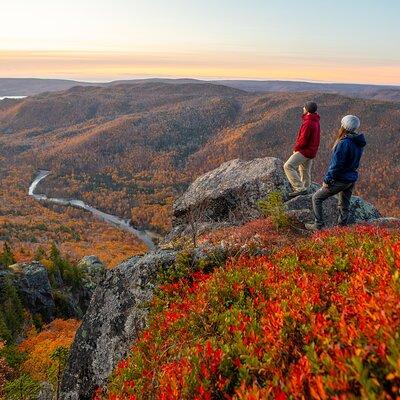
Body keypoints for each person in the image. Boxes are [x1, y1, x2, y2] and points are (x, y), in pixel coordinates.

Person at [306, 115, 366, 231]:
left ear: (343, 126)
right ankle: (342, 227)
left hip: (341, 179)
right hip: (351, 178)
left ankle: (318, 225)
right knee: (344, 204)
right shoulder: (358, 142)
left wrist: (327, 180)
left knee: (316, 198)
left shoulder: (344, 143)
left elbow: (336, 165)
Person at [284, 101, 320, 198]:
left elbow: (303, 139)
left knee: (288, 166)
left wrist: (296, 149)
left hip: (305, 150)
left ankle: (299, 188)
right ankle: (306, 188)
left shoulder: (308, 122)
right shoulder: (315, 120)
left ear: (307, 110)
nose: (303, 109)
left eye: (304, 107)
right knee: (304, 170)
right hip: (312, 151)